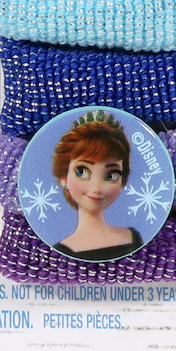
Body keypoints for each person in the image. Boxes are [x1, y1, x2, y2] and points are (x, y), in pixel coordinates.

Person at [50, 111, 141, 261]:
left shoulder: (133, 237)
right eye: (81, 171)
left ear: (122, 181)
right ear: (64, 177)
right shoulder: (61, 251)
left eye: (111, 175)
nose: (96, 188)